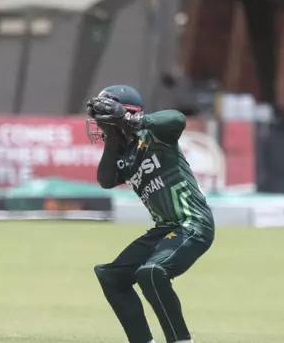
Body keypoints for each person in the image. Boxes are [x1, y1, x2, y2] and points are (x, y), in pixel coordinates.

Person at [86, 85, 215, 343]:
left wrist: (131, 120)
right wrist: (114, 137)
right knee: (112, 277)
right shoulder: (122, 156)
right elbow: (105, 179)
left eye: (105, 121)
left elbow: (177, 119)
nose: (100, 127)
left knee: (152, 272)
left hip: (193, 223)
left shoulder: (155, 135)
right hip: (165, 229)